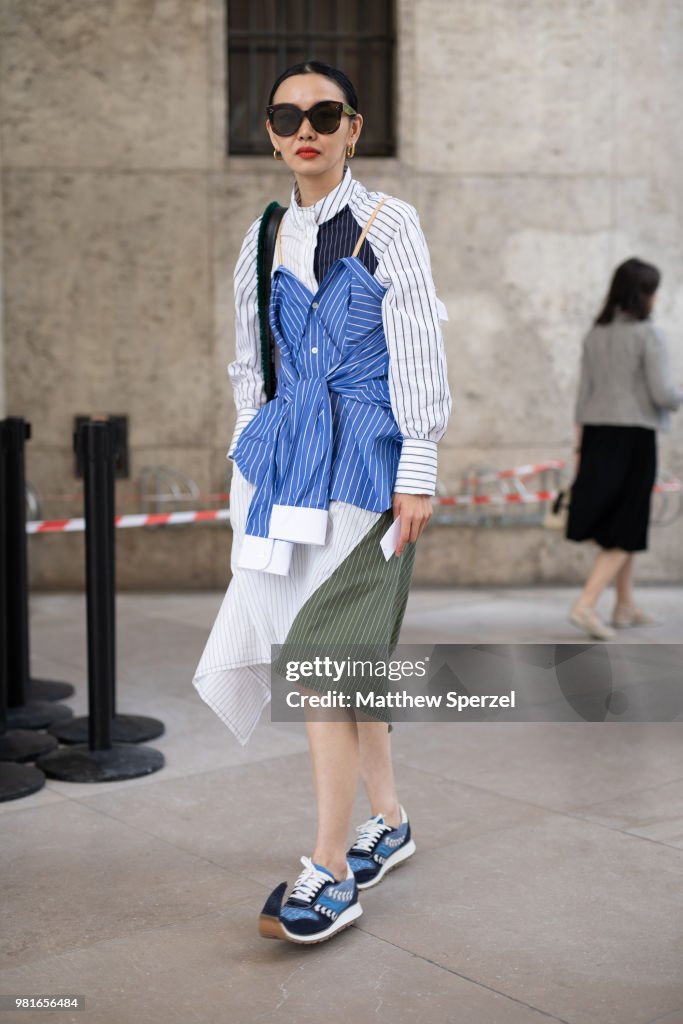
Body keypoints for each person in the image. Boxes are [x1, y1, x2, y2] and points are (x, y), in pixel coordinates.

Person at [192, 60, 451, 944]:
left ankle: (332, 868)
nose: (305, 127)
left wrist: (417, 465)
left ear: (353, 126)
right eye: (286, 115)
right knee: (347, 660)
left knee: (321, 659)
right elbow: (247, 364)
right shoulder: (262, 236)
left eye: (324, 112)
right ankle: (392, 820)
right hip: (287, 473)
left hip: (370, 468)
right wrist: (249, 460)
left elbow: (418, 344)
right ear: (269, 132)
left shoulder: (386, 221)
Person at [566, 257, 682, 640]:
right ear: (643, 294)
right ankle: (586, 605)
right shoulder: (647, 334)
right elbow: (664, 393)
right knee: (627, 522)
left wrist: (581, 447)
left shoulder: (595, 333)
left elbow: (583, 397)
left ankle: (624, 605)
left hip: (597, 435)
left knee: (619, 520)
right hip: (633, 436)